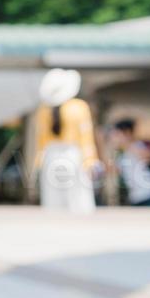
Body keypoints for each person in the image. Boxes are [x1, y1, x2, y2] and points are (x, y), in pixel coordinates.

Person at [31, 69, 99, 213]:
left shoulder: (43, 110)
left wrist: (38, 163)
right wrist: (90, 161)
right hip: (73, 155)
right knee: (78, 198)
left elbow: (40, 140)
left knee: (52, 198)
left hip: (50, 156)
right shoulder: (79, 107)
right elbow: (86, 138)